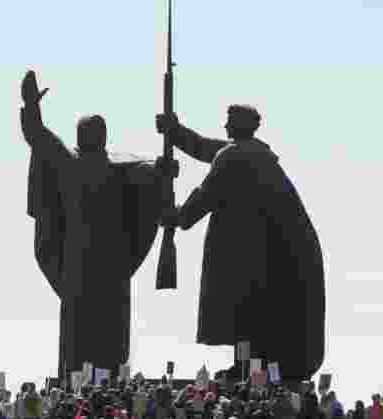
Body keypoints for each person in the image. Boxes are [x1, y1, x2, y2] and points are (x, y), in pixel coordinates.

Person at [156, 105, 325, 385]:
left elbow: (206, 193)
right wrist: (176, 132)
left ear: (237, 126)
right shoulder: (255, 154)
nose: (224, 126)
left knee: (245, 315)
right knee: (249, 315)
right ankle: (246, 367)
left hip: (256, 257)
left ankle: (246, 368)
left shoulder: (234, 156)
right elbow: (205, 148)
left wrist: (178, 216)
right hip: (270, 255)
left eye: (228, 122)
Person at [21, 70, 165, 381]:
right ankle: (84, 388)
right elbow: (37, 135)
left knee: (106, 338)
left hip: (104, 266)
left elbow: (149, 172)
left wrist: (162, 169)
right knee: (83, 338)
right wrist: (31, 106)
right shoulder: (74, 162)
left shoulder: (116, 167)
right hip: (90, 264)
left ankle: (98, 387)